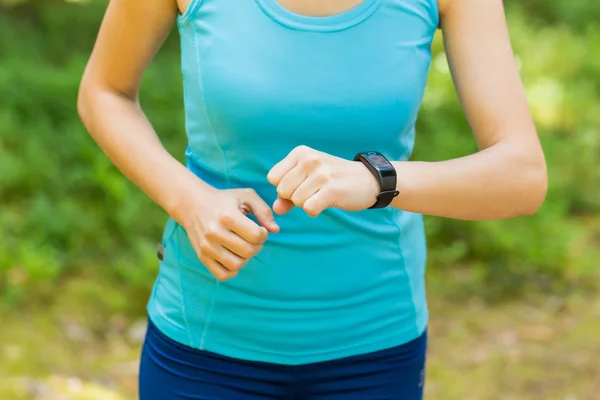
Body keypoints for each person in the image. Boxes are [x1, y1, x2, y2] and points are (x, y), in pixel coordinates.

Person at [77, 0, 547, 398]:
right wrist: (189, 200)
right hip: (205, 342)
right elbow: (105, 91)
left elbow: (522, 174)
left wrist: (377, 179)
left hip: (374, 346)